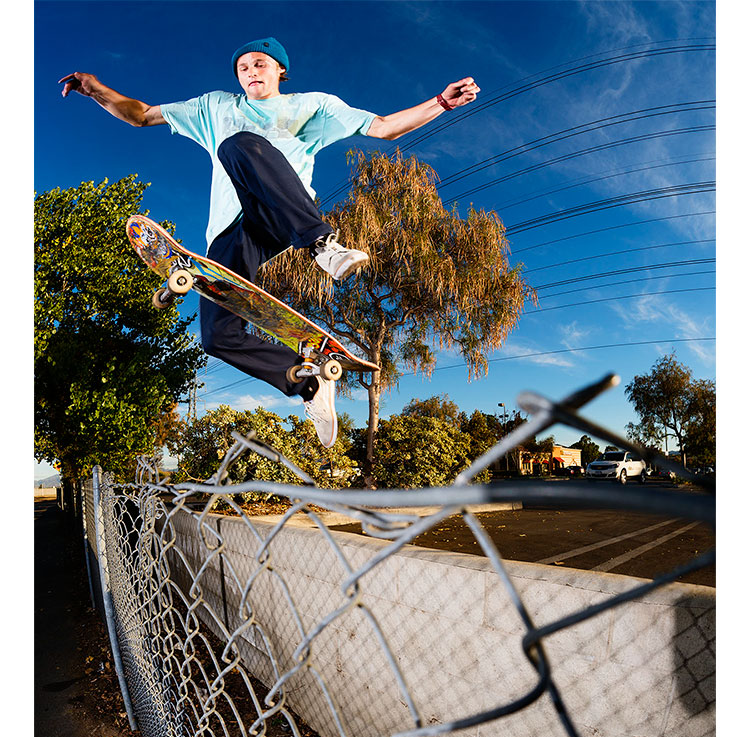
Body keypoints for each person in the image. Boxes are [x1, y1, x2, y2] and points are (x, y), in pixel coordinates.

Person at [60, 38, 480, 447]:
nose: (250, 73)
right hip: (231, 230)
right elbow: (141, 114)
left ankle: (323, 246)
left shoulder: (313, 105)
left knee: (239, 144)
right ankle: (306, 381)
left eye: (259, 64)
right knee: (218, 337)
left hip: (283, 216)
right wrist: (95, 90)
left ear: (281, 69)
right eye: (243, 68)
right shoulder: (215, 106)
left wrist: (440, 103)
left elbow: (384, 128)